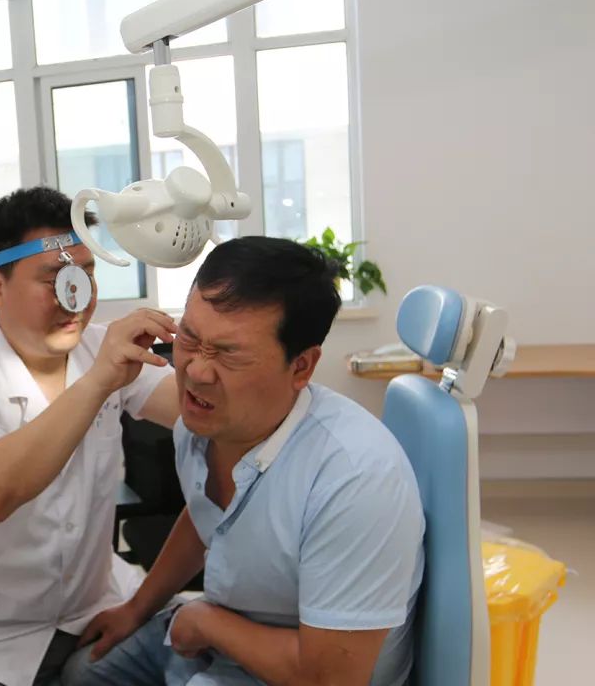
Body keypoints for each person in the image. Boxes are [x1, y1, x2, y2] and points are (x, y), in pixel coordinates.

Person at [70, 236, 425, 686]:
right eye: (190, 339)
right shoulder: (201, 423)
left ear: (302, 367)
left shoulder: (354, 480)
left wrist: (206, 622)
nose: (196, 371)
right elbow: (205, 515)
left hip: (291, 670)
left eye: (229, 354)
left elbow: (331, 679)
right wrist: (137, 609)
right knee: (82, 672)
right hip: (223, 636)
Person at [0, 187, 182, 686]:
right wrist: (98, 382)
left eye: (86, 275)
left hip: (96, 604)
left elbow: (201, 415)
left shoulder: (101, 349)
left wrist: (210, 344)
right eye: (55, 278)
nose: (75, 296)